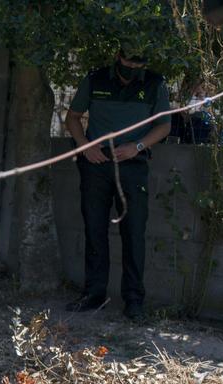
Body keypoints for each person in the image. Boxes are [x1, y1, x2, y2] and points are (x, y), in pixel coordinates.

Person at [64, 49, 170, 321]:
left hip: (133, 166)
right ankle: (93, 295)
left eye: (140, 62)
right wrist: (85, 147)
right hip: (96, 164)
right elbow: (73, 117)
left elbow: (164, 126)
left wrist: (137, 147)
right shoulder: (95, 79)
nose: (134, 66)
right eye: (130, 60)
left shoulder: (155, 83)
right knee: (94, 229)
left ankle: (134, 301)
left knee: (134, 234)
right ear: (118, 57)